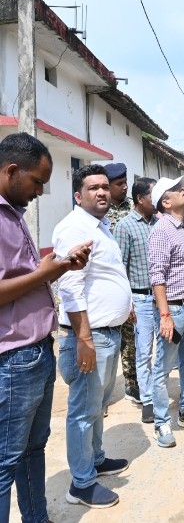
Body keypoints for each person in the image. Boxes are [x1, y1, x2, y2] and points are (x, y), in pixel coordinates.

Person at [0, 133, 91, 522]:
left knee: (33, 449)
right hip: (13, 357)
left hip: (36, 350)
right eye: (37, 182)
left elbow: (20, 276)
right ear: (11, 171)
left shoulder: (14, 214)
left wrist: (60, 265)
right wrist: (44, 273)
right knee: (5, 461)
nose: (40, 191)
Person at [53, 164, 133, 508]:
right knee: (83, 411)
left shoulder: (100, 226)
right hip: (89, 337)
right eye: (92, 188)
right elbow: (70, 288)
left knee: (98, 406)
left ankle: (95, 459)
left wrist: (125, 305)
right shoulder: (74, 228)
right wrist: (84, 340)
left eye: (104, 186)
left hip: (107, 333)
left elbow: (104, 276)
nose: (101, 192)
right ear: (78, 195)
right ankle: (81, 484)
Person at [148, 176, 184, 448]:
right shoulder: (162, 230)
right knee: (163, 367)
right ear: (166, 202)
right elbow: (157, 277)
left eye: (183, 186)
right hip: (172, 309)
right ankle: (161, 422)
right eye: (176, 189)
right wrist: (164, 316)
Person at [114, 178, 159, 424]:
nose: (159, 198)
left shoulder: (159, 223)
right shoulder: (125, 226)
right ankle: (148, 400)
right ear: (140, 199)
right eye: (153, 194)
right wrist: (127, 303)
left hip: (163, 298)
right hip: (140, 298)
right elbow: (119, 268)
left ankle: (159, 393)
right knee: (143, 352)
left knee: (166, 349)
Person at [103, 162, 140, 404]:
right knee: (105, 344)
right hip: (106, 284)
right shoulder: (100, 210)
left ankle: (132, 383)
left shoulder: (132, 208)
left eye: (125, 182)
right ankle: (101, 396)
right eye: (119, 184)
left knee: (130, 338)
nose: (125, 187)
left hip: (130, 282)